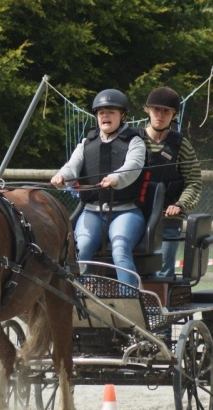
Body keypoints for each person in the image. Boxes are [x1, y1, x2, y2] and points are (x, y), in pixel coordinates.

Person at [51, 89, 146, 287]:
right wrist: (62, 177)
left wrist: (114, 178)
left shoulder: (135, 141)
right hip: (91, 212)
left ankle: (129, 299)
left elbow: (133, 167)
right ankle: (80, 297)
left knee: (120, 248)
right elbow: (72, 167)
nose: (105, 115)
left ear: (122, 115)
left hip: (126, 212)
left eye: (111, 111)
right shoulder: (86, 143)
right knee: (80, 250)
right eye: (101, 112)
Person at [138, 86, 202, 277]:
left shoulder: (180, 144)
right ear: (148, 110)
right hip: (135, 216)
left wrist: (180, 205)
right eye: (156, 109)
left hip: (168, 219)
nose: (160, 114)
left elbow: (194, 181)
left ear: (173, 115)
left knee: (163, 271)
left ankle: (161, 304)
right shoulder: (133, 140)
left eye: (166, 111)